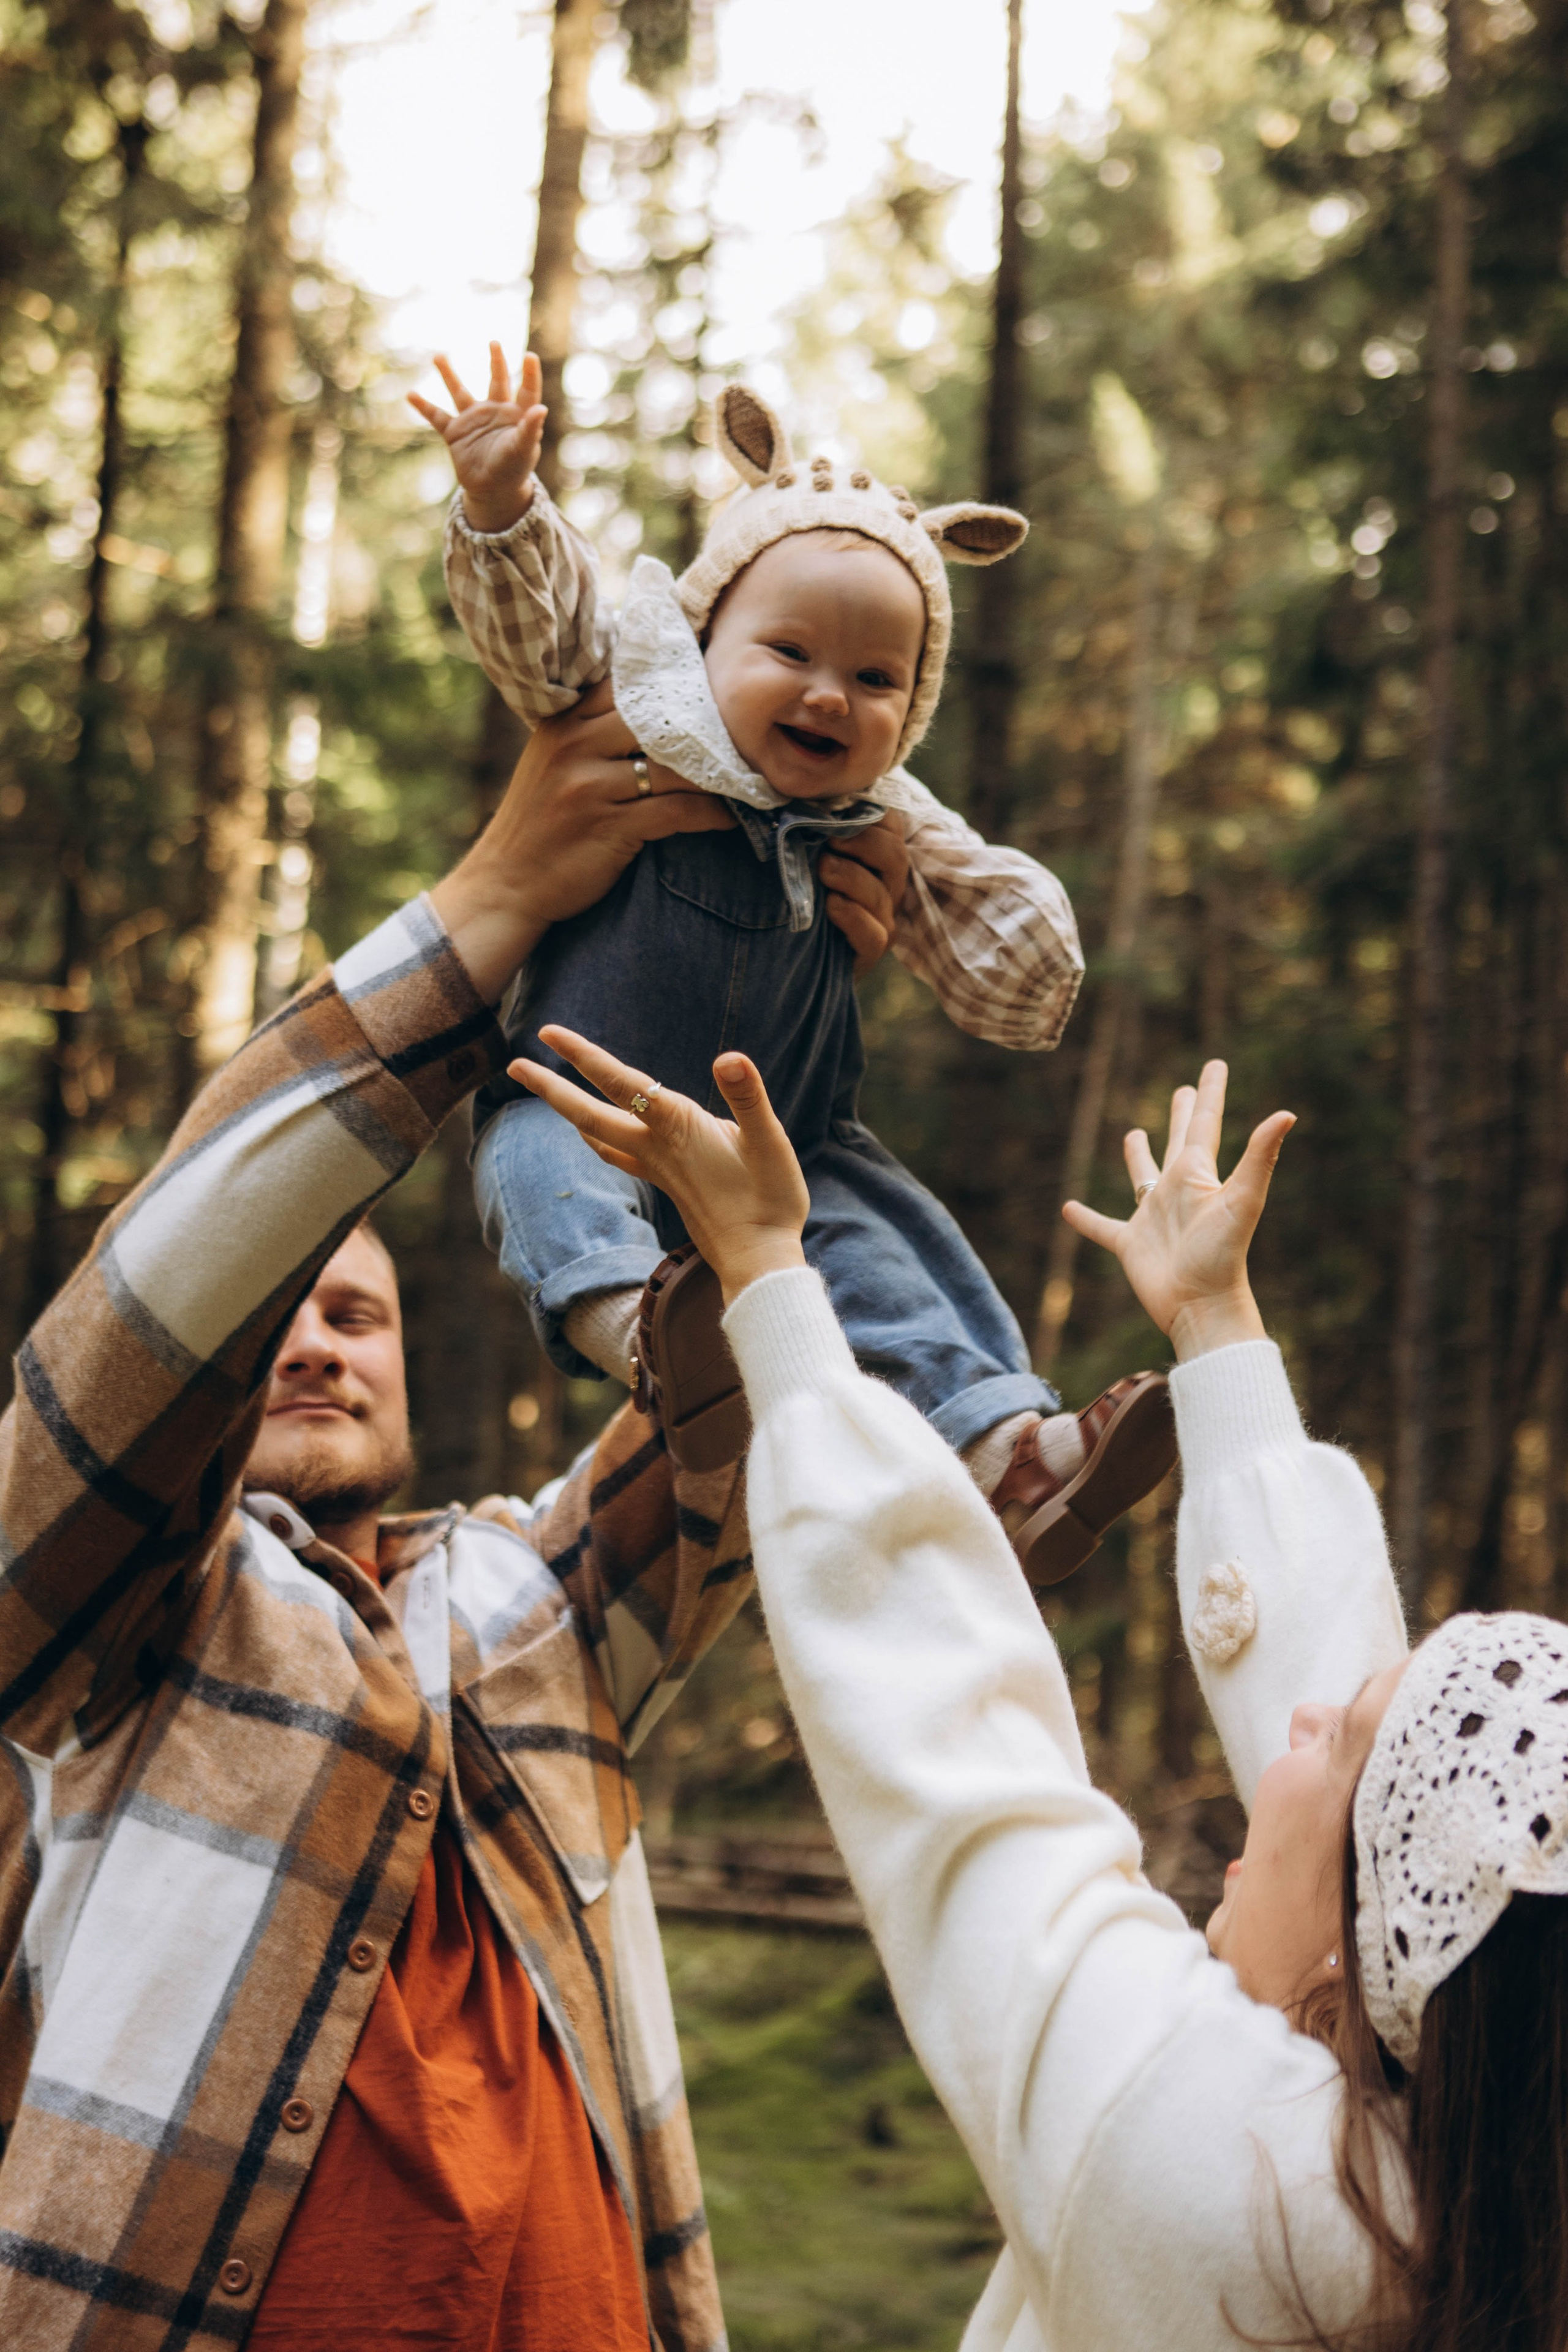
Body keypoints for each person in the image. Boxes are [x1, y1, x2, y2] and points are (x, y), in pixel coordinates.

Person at [0, 687, 903, 2352]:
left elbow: (733, 1394)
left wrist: (778, 988)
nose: (316, 1339)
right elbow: (147, 1330)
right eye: (284, 1313)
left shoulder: (533, 1593)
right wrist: (492, 905)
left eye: (361, 1315)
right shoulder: (110, 1623)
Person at [521, 1029, 1568, 2352]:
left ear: (1364, 1956)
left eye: (1344, 1733)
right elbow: (1395, 1800)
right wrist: (1212, 1324)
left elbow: (962, 1769)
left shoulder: (1242, 2203)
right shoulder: (1490, 2185)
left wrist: (771, 1282)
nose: (1307, 1709)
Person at [410, 347, 1177, 1585]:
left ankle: (1009, 1454)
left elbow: (1009, 972)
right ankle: (658, 1341)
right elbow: (539, 635)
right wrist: (503, 508)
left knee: (882, 1251)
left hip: (791, 1150)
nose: (829, 695)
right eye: (791, 653)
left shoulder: (882, 820)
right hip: (588, 1097)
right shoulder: (636, 714)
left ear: (910, 709)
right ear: (705, 633)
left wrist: (997, 913)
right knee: (540, 1170)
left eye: (876, 679)